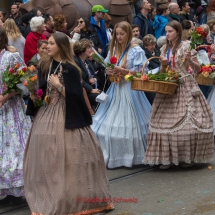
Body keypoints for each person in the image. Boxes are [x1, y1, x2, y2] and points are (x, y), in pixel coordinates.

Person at [24, 32, 114, 214]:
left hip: (67, 115)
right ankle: (53, 195)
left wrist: (58, 85)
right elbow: (42, 90)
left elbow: (75, 97)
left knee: (71, 157)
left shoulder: (71, 68)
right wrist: (34, 93)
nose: (47, 46)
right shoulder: (44, 65)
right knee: (49, 159)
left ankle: (77, 199)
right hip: (46, 112)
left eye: (51, 43)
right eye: (47, 43)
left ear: (61, 46)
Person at [143, 21, 214, 169]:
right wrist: (163, 65)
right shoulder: (164, 48)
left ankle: (187, 158)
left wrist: (189, 61)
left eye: (170, 31)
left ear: (178, 32)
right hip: (169, 87)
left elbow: (196, 69)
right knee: (162, 122)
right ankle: (167, 158)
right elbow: (163, 72)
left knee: (190, 124)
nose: (167, 34)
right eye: (166, 31)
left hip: (185, 85)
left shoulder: (187, 46)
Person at [91, 21, 151, 169]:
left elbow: (142, 72)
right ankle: (116, 154)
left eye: (122, 34)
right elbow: (107, 67)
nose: (118, 37)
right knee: (110, 120)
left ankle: (134, 155)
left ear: (128, 34)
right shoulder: (113, 50)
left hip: (131, 89)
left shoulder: (136, 50)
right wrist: (109, 71)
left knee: (132, 121)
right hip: (116, 87)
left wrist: (122, 70)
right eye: (117, 34)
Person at [0, 27, 31, 205]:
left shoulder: (10, 57)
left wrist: (5, 97)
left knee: (15, 149)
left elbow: (25, 81)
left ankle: (17, 191)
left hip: (11, 111)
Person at [74, 39, 101, 107]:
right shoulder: (75, 61)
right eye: (89, 47)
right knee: (100, 98)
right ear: (82, 49)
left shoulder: (87, 61)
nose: (91, 49)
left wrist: (95, 79)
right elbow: (77, 79)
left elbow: (95, 74)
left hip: (92, 87)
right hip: (84, 91)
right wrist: (90, 89)